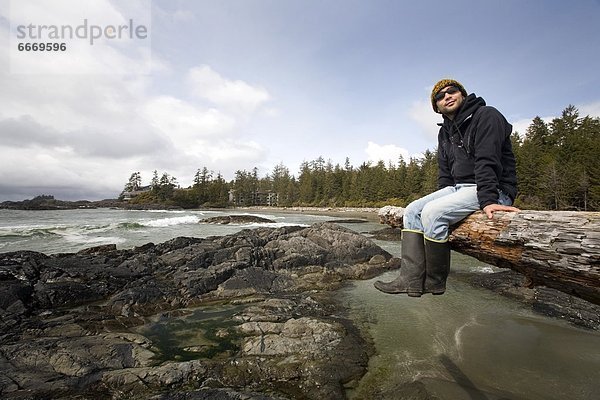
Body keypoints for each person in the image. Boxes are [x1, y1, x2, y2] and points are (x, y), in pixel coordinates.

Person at [374, 78, 519, 297]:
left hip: (493, 188)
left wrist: (489, 200)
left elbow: (488, 159)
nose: (447, 97)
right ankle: (410, 280)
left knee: (433, 213)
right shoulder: (445, 132)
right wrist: (442, 196)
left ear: (462, 94)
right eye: (440, 97)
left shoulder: (486, 115)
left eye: (452, 91)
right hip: (460, 188)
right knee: (412, 210)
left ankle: (434, 281)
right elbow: (446, 172)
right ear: (436, 107)